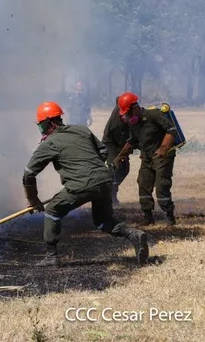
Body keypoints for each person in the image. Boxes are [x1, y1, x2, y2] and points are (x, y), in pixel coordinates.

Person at [22, 101, 149, 267]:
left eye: (41, 126)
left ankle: (51, 256)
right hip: (104, 180)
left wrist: (33, 200)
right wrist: (92, 169)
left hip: (82, 184)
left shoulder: (49, 143)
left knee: (52, 210)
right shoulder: (81, 129)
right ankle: (134, 234)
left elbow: (28, 174)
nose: (42, 130)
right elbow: (103, 151)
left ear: (50, 123)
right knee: (102, 220)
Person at [114, 92, 178, 225]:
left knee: (162, 186)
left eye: (129, 113)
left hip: (163, 156)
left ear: (136, 107)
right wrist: (120, 156)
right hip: (147, 157)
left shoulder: (153, 115)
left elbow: (172, 130)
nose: (128, 117)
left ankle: (169, 217)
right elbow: (132, 140)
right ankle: (148, 218)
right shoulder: (133, 124)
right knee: (143, 184)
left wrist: (163, 148)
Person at [102, 95, 131, 206]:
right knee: (114, 168)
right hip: (112, 144)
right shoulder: (117, 121)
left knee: (125, 170)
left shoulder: (125, 109)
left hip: (121, 143)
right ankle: (110, 196)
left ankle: (113, 189)